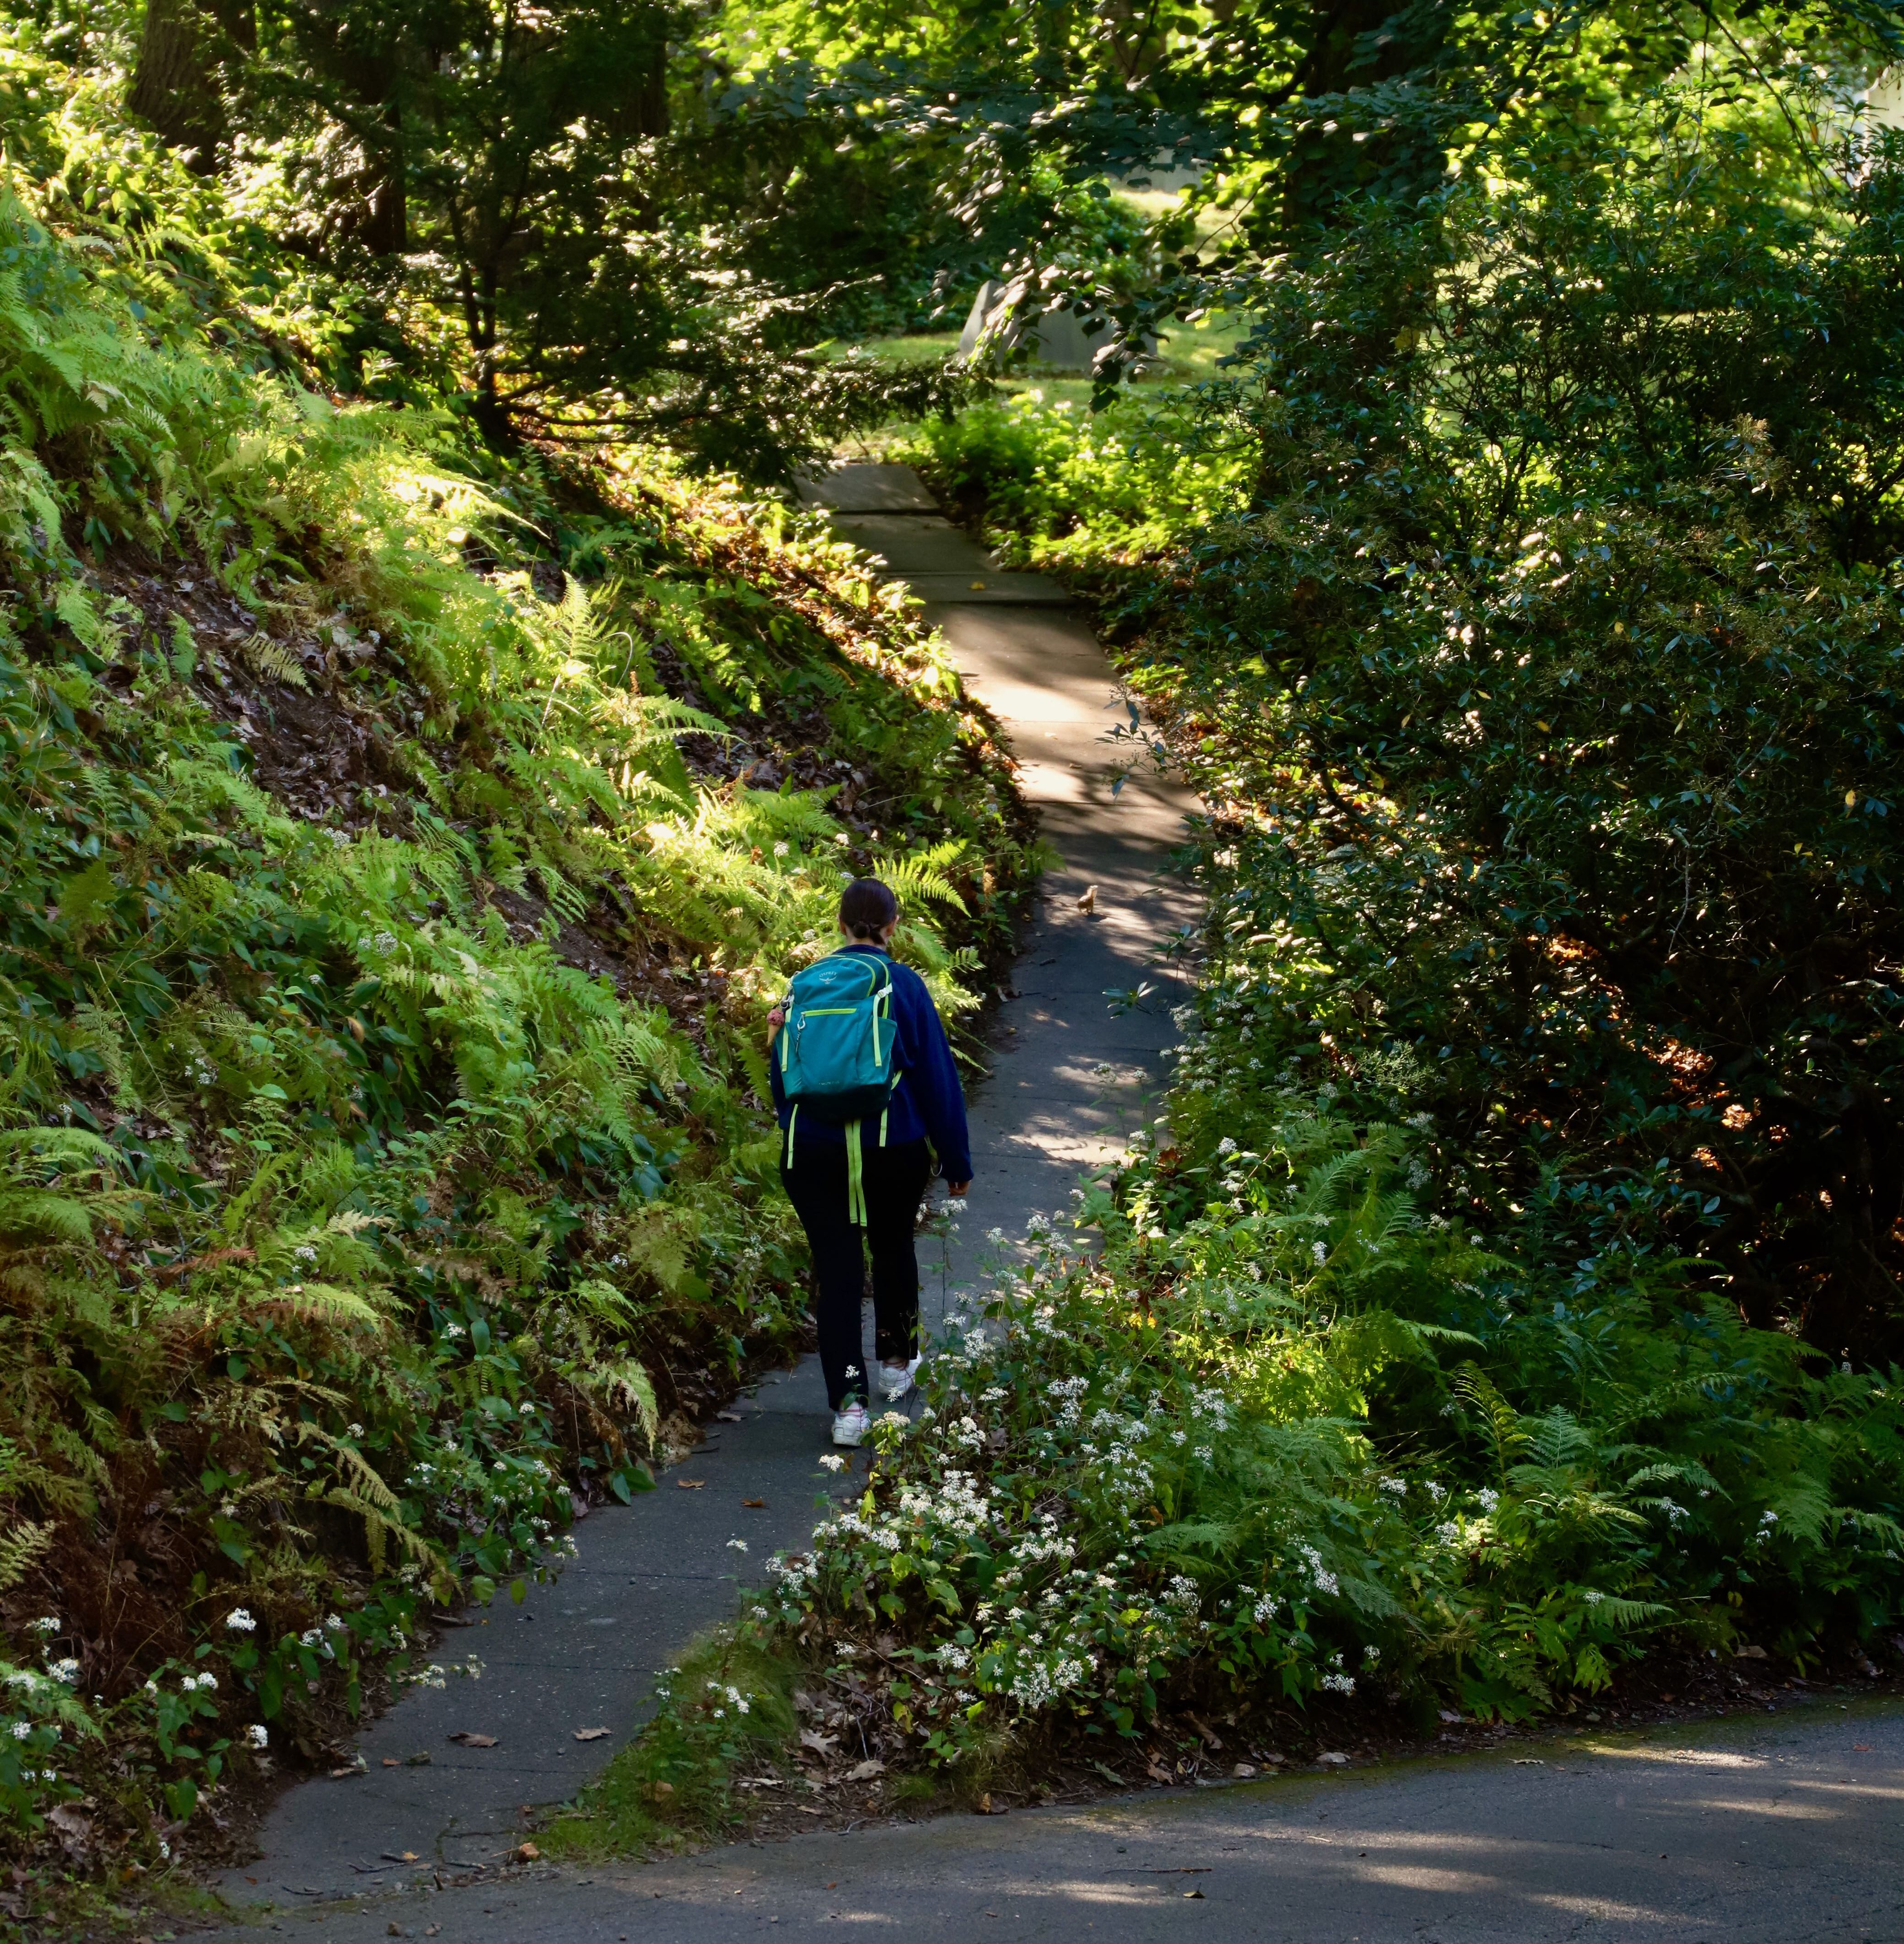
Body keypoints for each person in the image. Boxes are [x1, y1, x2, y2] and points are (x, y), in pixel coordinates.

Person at [769, 878, 971, 1447]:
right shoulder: (903, 985)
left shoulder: (803, 987)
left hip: (813, 1152)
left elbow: (783, 1080)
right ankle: (895, 1366)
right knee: (892, 1250)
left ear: (838, 925)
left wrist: (798, 1130)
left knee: (836, 1273)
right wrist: (955, 1158)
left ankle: (848, 1410)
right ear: (893, 926)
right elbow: (936, 1078)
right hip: (892, 1147)